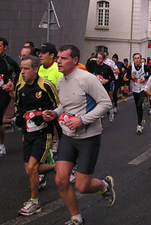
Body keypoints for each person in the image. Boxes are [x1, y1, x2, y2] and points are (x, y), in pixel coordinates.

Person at [42, 45, 115, 225]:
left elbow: (105, 103)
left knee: (82, 186)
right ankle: (76, 218)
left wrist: (82, 120)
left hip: (88, 138)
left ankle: (105, 186)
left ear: (74, 60)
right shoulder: (61, 81)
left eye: (63, 58)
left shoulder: (86, 79)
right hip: (68, 136)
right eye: (58, 58)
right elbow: (65, 106)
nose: (58, 61)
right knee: (60, 180)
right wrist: (55, 113)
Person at [13, 55, 59, 216]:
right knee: (30, 170)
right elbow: (18, 106)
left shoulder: (46, 86)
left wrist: (49, 116)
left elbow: (58, 107)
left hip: (43, 134)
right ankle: (56, 167)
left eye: (26, 69)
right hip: (29, 133)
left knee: (32, 168)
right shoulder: (19, 87)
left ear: (35, 69)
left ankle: (34, 202)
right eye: (21, 69)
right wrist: (19, 118)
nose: (23, 72)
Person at [0, 37, 21, 157]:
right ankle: (12, 121)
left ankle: (1, 145)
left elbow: (18, 73)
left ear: (5, 48)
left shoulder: (9, 61)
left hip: (5, 93)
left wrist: (11, 84)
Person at [125, 53, 151, 134]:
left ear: (141, 59)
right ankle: (140, 120)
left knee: (139, 104)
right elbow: (127, 76)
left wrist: (145, 78)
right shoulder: (131, 67)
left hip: (143, 88)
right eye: (135, 58)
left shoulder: (145, 66)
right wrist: (131, 77)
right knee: (137, 106)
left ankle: (139, 125)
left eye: (138, 58)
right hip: (135, 88)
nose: (137, 60)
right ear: (133, 59)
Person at [87, 52, 115, 123]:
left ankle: (109, 111)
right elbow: (87, 72)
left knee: (103, 104)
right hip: (94, 87)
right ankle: (99, 123)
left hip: (104, 88)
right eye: (97, 58)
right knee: (96, 106)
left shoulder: (107, 68)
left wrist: (106, 80)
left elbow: (112, 77)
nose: (98, 60)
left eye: (100, 58)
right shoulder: (92, 65)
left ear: (103, 59)